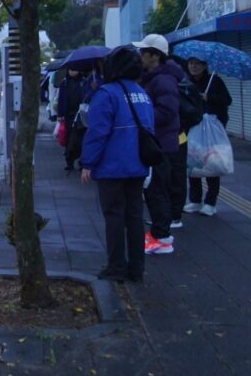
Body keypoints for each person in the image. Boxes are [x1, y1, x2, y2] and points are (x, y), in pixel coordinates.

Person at [80, 45, 155, 283]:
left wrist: (88, 163)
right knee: (134, 217)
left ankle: (116, 267)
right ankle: (136, 268)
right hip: (138, 165)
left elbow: (97, 132)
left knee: (114, 216)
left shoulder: (107, 94)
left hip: (112, 167)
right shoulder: (142, 93)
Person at [134, 33, 184, 255]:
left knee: (158, 192)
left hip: (160, 146)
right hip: (158, 144)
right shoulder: (154, 77)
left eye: (143, 52)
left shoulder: (163, 80)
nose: (140, 55)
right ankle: (158, 234)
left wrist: (141, 114)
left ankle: (163, 239)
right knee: (155, 191)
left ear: (154, 56)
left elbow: (167, 112)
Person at [184, 55, 232, 217]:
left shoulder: (215, 81)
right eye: (191, 63)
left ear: (205, 66)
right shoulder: (187, 81)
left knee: (212, 163)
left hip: (212, 130)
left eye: (197, 64)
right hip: (193, 128)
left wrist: (209, 98)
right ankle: (195, 200)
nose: (194, 67)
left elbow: (227, 100)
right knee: (193, 163)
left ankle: (211, 202)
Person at [56, 68, 85, 170]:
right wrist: (60, 114)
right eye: (71, 70)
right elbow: (61, 99)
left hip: (81, 115)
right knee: (69, 138)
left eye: (75, 69)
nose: (73, 71)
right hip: (69, 116)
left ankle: (82, 162)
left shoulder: (83, 82)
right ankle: (69, 162)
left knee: (80, 139)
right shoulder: (64, 83)